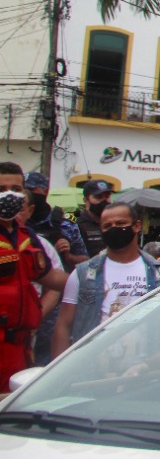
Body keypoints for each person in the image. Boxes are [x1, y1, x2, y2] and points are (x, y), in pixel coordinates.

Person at [52, 202, 160, 357]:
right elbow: (63, 325)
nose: (114, 229)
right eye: (107, 226)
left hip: (145, 367)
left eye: (121, 223)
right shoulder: (83, 274)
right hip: (92, 367)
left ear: (137, 226)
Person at [0, 163, 65, 387]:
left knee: (13, 410)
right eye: (1, 189)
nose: (8, 195)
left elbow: (51, 278)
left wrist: (92, 279)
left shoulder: (25, 236)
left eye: (16, 189)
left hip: (21, 346)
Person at [23, 171, 87, 270]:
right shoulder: (12, 222)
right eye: (21, 190)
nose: (25, 194)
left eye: (30, 189)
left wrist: (67, 256)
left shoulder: (66, 223)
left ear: (45, 191)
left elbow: (85, 260)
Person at [76, 178, 114, 256]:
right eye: (98, 197)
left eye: (107, 197)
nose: (104, 201)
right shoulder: (78, 224)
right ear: (86, 200)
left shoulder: (115, 223)